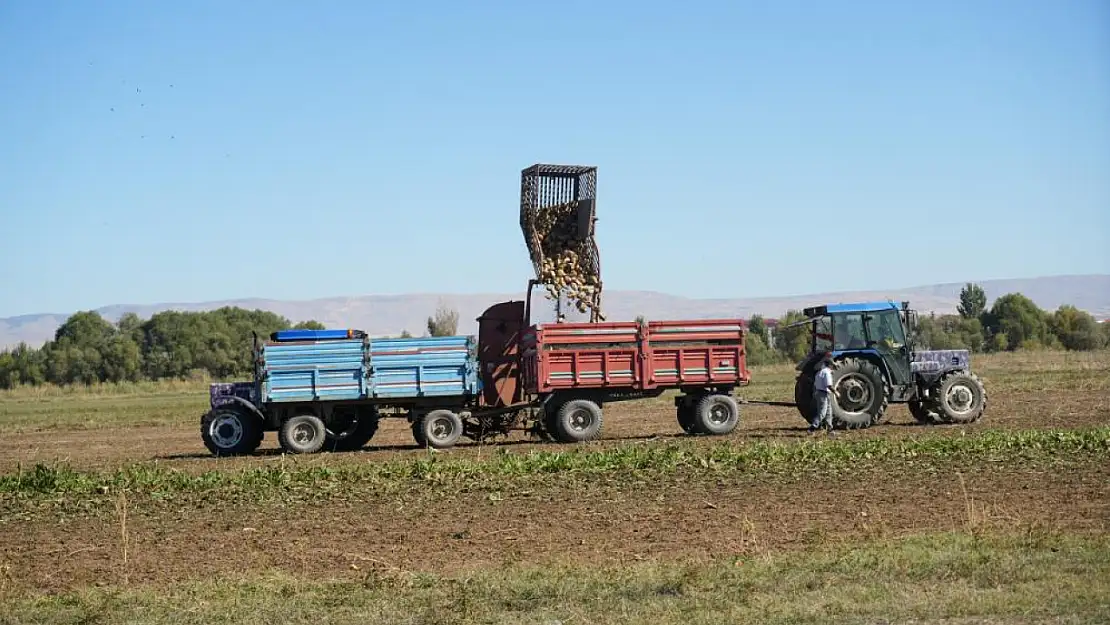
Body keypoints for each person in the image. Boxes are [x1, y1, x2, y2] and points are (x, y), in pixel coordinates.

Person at [810, 353, 836, 435]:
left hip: (820, 393)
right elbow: (829, 385)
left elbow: (815, 385)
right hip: (823, 394)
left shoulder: (819, 372)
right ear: (830, 365)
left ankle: (830, 429)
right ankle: (812, 428)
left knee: (829, 412)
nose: (833, 367)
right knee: (822, 413)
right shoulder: (827, 373)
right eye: (833, 365)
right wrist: (836, 393)